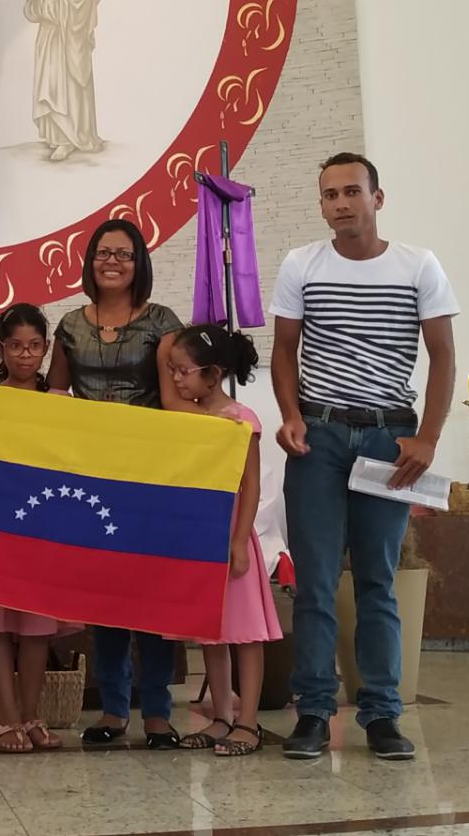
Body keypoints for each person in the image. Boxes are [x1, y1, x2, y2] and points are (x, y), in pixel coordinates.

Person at [270, 152, 458, 761]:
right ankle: (313, 713)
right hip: (319, 437)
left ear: (378, 198)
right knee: (315, 581)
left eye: (352, 191)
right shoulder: (302, 264)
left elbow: (442, 354)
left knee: (377, 579)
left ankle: (381, 714)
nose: (341, 203)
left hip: (387, 438)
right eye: (330, 195)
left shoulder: (417, 265)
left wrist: (427, 438)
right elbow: (284, 351)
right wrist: (291, 415)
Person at [45, 218, 188, 749]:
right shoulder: (69, 325)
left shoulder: (162, 321)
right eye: (104, 253)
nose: (113, 262)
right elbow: (56, 398)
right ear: (90, 261)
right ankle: (112, 709)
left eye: (124, 254)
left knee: (150, 592)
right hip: (93, 475)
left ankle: (158, 712)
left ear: (139, 263)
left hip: (150, 473)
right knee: (105, 596)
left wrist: (227, 423)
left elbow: (173, 400)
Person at [0, 303, 81, 753]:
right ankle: (6, 720)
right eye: (15, 346)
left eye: (34, 346)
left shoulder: (60, 404)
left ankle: (32, 717)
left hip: (45, 529)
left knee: (37, 628)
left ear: (46, 349)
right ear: (1, 349)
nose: (25, 355)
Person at [168, 324, 282, 757]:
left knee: (245, 633)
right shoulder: (189, 418)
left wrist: (238, 541)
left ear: (213, 375)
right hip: (199, 535)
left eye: (183, 371)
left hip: (231, 533)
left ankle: (247, 721)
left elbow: (250, 485)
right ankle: (220, 717)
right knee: (211, 632)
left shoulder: (240, 419)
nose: (176, 379)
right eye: (172, 370)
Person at [24, 0, 104, 161]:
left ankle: (71, 139)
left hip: (71, 47)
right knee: (51, 86)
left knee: (67, 88)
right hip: (50, 46)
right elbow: (31, 9)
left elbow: (76, 17)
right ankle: (57, 137)